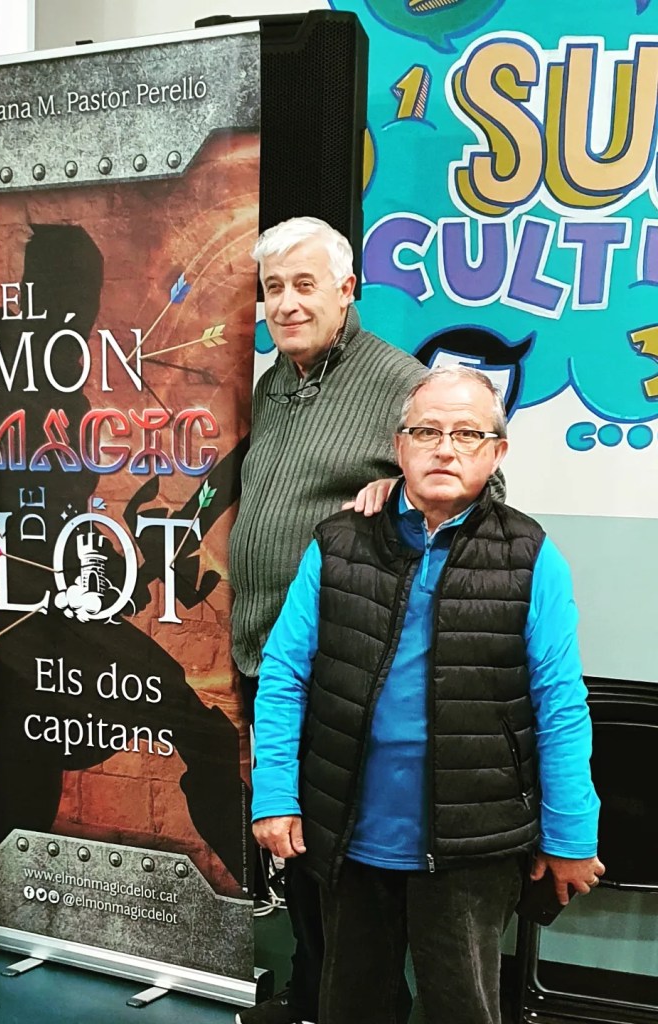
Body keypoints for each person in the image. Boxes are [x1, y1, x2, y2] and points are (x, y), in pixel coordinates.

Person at [252, 366, 603, 1024]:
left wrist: (571, 835)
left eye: (467, 434)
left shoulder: (531, 556)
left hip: (476, 842)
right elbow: (284, 673)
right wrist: (274, 794)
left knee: (462, 1008)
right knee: (350, 1007)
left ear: (497, 452)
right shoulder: (338, 543)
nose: (445, 448)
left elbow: (560, 704)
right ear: (399, 445)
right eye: (427, 431)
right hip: (349, 831)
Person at [229, 216, 426, 1024]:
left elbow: (475, 491)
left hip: (342, 663)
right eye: (274, 288)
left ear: (347, 291)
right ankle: (314, 994)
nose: (287, 303)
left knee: (341, 860)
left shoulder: (400, 381)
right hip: (263, 656)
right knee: (295, 849)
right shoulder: (273, 383)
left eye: (305, 285)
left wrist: (401, 492)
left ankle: (365, 1006)